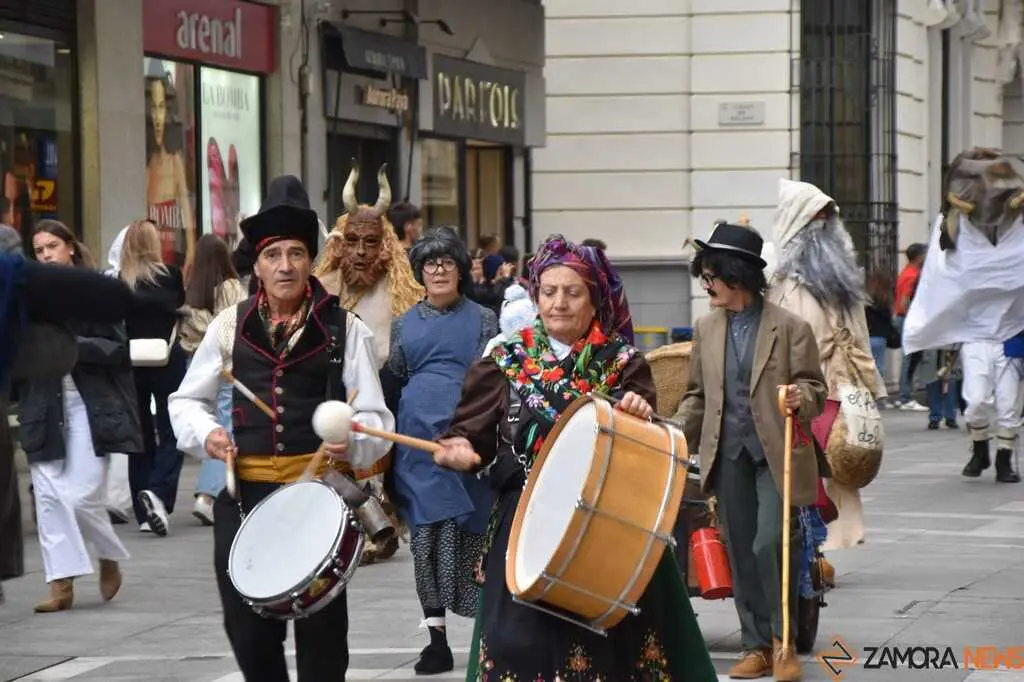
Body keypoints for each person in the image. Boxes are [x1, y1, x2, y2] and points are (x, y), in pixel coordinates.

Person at [433, 234, 717, 681]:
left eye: (572, 292)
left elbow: (649, 453)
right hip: (524, 524)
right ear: (535, 295)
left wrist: (642, 416)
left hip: (609, 527)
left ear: (594, 299)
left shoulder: (623, 364)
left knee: (611, 641)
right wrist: (461, 451)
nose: (559, 303)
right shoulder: (505, 361)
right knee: (519, 645)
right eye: (549, 292)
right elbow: (471, 437)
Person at [167, 174, 394, 680]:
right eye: (273, 256)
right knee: (248, 635)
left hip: (319, 501)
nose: (285, 266)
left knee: (322, 642)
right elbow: (185, 400)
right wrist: (208, 434)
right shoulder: (230, 325)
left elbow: (378, 419)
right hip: (244, 499)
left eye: (295, 253)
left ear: (310, 259)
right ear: (259, 263)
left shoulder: (343, 329)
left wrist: (353, 436)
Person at [675, 221, 827, 681]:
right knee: (741, 549)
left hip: (777, 455)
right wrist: (676, 430)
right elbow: (698, 394)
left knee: (771, 543)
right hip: (729, 456)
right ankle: (755, 645)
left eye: (711, 276)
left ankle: (784, 644)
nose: (706, 284)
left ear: (736, 275)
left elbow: (816, 387)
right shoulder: (706, 327)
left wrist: (804, 398)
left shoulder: (791, 327)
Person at [0, 225, 154, 607]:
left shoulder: (87, 292)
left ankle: (109, 553)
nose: (46, 254)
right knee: (50, 500)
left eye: (53, 246)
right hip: (42, 407)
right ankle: (61, 583)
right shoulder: (26, 298)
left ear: (70, 247)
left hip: (88, 405)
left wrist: (69, 348)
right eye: (38, 249)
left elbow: (117, 349)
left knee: (82, 495)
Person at [386, 226, 497, 674]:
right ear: (418, 272)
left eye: (446, 262)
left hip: (468, 441)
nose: (438, 270)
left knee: (476, 536)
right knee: (425, 544)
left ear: (460, 270)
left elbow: (496, 378)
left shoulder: (485, 320)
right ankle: (437, 639)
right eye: (429, 263)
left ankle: (489, 635)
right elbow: (394, 377)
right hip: (415, 448)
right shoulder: (403, 324)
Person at [768, 180, 886, 558]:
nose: (823, 225)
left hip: (832, 384)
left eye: (827, 217)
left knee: (829, 461)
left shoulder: (840, 276)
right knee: (796, 466)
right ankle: (808, 542)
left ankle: (820, 541)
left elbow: (858, 334)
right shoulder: (774, 275)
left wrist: (868, 384)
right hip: (785, 383)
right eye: (814, 217)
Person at [314, 164, 423, 564]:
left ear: (386, 245)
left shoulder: (401, 292)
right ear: (341, 243)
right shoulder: (324, 288)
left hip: (384, 387)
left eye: (371, 242)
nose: (361, 252)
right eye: (354, 241)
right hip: (333, 388)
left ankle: (382, 525)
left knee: (376, 455)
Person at [119, 219, 186, 536]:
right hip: (167, 360)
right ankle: (158, 494)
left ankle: (143, 509)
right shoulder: (171, 275)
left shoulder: (122, 281)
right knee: (172, 431)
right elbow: (179, 304)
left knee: (140, 433)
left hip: (131, 364)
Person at [177, 234, 248, 524]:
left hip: (196, 362)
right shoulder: (232, 288)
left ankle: (212, 493)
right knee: (225, 427)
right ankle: (209, 494)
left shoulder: (193, 292)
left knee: (210, 426)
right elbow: (241, 324)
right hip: (228, 364)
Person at [894, 243, 928, 411]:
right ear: (919, 256)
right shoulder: (912, 275)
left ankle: (906, 394)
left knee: (911, 357)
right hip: (907, 319)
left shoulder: (906, 272)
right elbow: (905, 300)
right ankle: (905, 396)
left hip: (903, 318)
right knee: (910, 358)